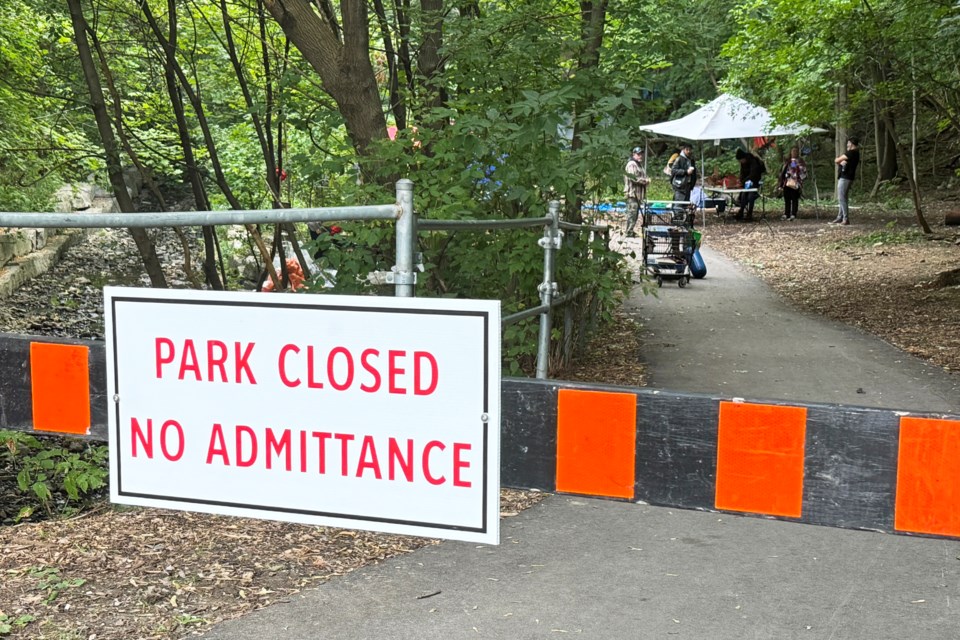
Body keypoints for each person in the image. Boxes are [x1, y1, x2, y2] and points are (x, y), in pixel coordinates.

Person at [832, 137, 860, 225]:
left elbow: (836, 160)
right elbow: (840, 161)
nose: (847, 144)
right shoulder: (855, 153)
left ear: (851, 143)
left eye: (848, 143)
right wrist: (841, 162)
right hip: (848, 177)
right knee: (843, 197)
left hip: (845, 177)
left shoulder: (851, 153)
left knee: (842, 198)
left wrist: (839, 161)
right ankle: (840, 217)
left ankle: (845, 218)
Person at [623, 147, 650, 237]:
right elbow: (633, 177)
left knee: (634, 214)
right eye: (638, 154)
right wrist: (645, 181)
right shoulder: (632, 164)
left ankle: (630, 230)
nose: (640, 156)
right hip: (632, 193)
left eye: (641, 154)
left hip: (638, 195)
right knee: (632, 214)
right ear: (633, 154)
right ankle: (628, 232)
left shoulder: (639, 165)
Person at [734, 148, 765, 222]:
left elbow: (753, 174)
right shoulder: (743, 163)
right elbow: (742, 173)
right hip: (746, 183)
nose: (740, 162)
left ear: (744, 158)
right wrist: (741, 180)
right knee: (744, 194)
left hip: (754, 182)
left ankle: (749, 213)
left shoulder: (753, 161)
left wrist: (745, 180)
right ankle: (741, 211)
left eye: (741, 160)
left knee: (751, 196)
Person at [777, 146, 808, 220]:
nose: (794, 153)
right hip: (787, 182)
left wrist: (796, 168)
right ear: (790, 152)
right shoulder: (787, 161)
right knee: (787, 198)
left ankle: (793, 213)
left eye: (795, 151)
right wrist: (781, 183)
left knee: (794, 198)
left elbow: (802, 171)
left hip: (796, 182)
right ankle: (786, 213)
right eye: (793, 151)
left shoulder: (800, 161)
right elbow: (783, 171)